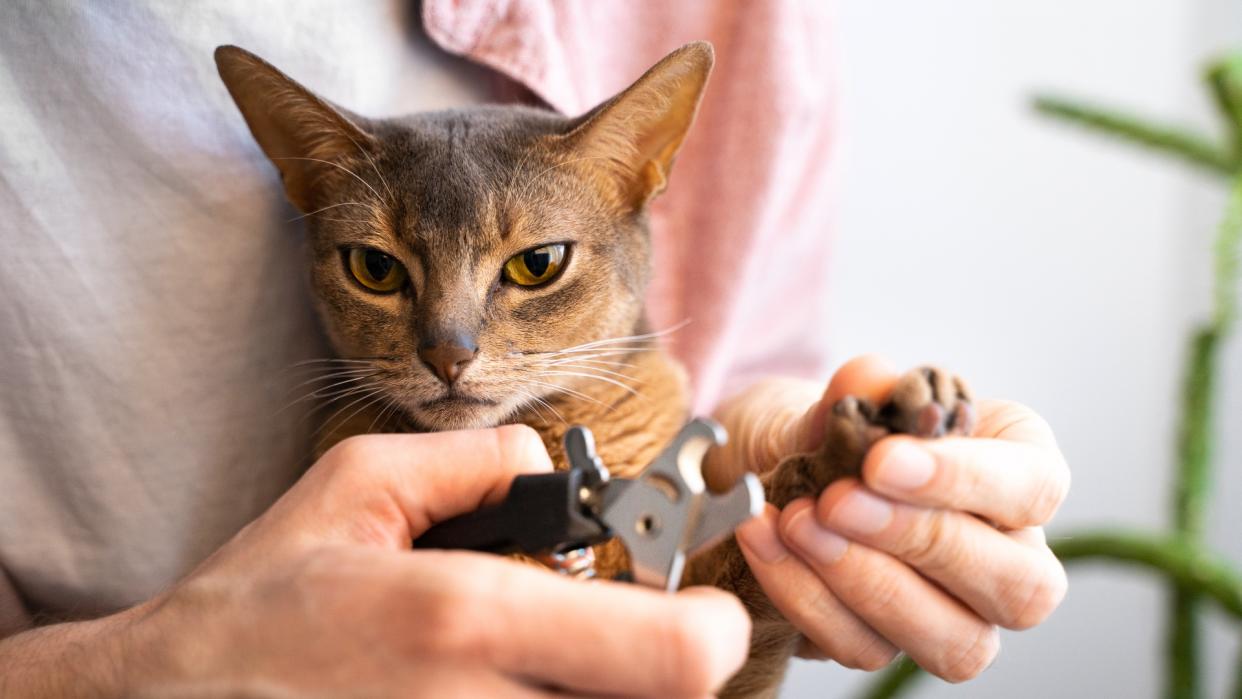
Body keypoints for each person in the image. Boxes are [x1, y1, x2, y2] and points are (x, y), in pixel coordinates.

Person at [0, 0, 1069, 694]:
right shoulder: (350, 459)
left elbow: (743, 398)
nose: (448, 349)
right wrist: (140, 669)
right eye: (380, 270)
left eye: (531, 267)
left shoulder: (765, 26)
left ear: (639, 174)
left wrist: (815, 471)